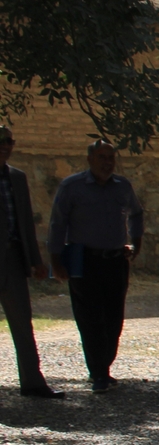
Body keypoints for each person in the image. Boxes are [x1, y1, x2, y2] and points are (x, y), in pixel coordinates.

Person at [48, 138, 142, 392]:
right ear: (89, 159)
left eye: (111, 158)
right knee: (89, 319)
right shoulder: (72, 187)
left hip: (114, 262)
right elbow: (58, 225)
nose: (107, 163)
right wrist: (56, 262)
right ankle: (98, 371)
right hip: (84, 261)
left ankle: (104, 365)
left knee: (114, 319)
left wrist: (137, 240)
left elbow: (136, 212)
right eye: (102, 157)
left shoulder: (122, 186)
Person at [0, 126, 60, 398]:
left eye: (9, 141)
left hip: (12, 259)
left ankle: (33, 383)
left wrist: (36, 261)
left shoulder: (17, 178)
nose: (5, 145)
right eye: (1, 141)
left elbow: (25, 221)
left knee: (23, 323)